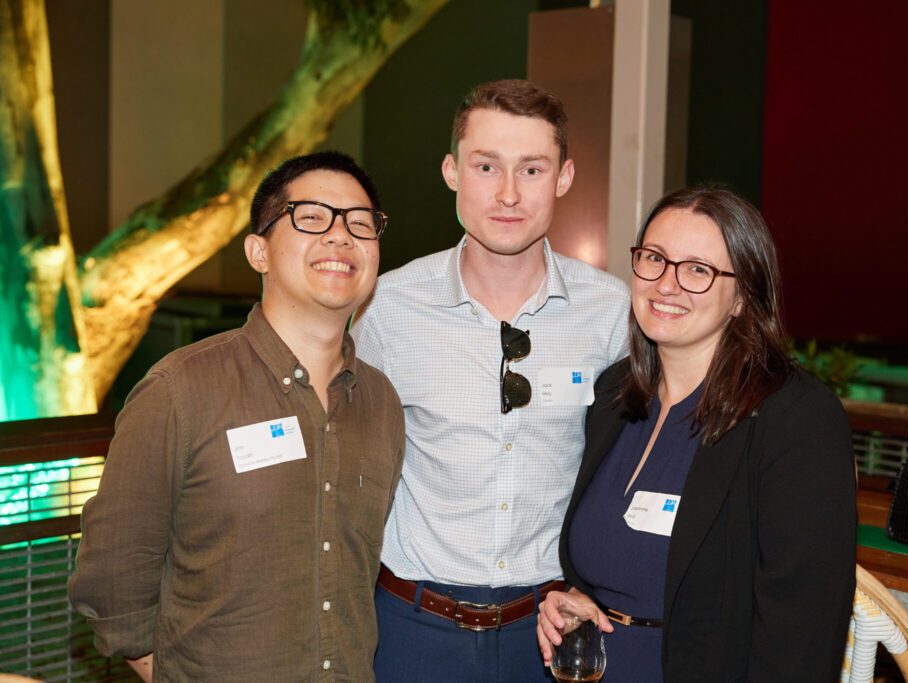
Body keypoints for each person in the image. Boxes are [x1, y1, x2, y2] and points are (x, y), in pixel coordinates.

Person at [68, 151, 405, 681]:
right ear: (258, 252)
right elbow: (113, 581)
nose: (340, 236)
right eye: (311, 217)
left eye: (360, 224)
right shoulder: (180, 391)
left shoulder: (381, 402)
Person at [353, 79, 630, 682]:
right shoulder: (386, 308)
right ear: (451, 172)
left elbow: (629, 470)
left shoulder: (612, 313)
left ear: (563, 177)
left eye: (532, 169)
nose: (508, 193)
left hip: (551, 631)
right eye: (486, 167)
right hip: (412, 630)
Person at [537, 186, 857, 682]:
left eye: (698, 270)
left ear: (743, 297)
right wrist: (575, 600)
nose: (667, 284)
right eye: (654, 259)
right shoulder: (614, 395)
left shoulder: (795, 419)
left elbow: (802, 638)